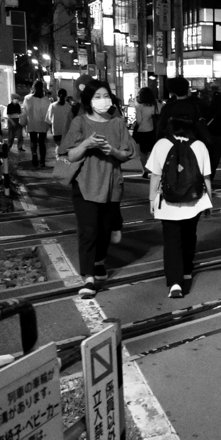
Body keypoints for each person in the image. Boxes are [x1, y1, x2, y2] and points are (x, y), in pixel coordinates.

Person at [62, 82, 137, 298]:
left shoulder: (117, 123)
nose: (102, 100)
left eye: (106, 95)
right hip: (85, 184)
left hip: (112, 184)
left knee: (104, 231)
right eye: (97, 96)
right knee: (88, 231)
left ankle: (99, 261)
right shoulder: (79, 122)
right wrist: (86, 144)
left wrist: (111, 150)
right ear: (88, 100)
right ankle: (88, 278)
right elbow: (70, 155)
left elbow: (126, 154)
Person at [147, 115, 214, 298]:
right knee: (189, 235)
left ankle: (175, 283)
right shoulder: (199, 146)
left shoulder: (162, 144)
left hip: (167, 203)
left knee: (172, 241)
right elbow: (205, 176)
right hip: (194, 202)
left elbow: (155, 175)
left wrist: (152, 198)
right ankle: (186, 270)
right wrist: (209, 200)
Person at [22, 80, 51, 168]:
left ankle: (34, 155)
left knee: (33, 140)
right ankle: (42, 161)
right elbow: (48, 112)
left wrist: (24, 122)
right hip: (43, 122)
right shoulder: (46, 100)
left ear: (33, 88)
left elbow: (25, 111)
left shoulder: (28, 98)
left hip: (32, 121)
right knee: (42, 142)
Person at [133, 86, 159, 178]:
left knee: (143, 152)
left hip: (142, 131)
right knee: (153, 151)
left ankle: (145, 170)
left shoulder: (139, 107)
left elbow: (139, 121)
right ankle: (154, 169)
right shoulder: (155, 105)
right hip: (153, 131)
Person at [205, 91, 221, 176]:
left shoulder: (208, 108)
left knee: (208, 154)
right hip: (218, 135)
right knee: (216, 155)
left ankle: (207, 172)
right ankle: (213, 171)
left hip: (209, 135)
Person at [47, 89, 73, 153]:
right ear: (66, 96)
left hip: (56, 132)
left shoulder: (52, 106)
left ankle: (60, 159)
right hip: (66, 132)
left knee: (59, 147)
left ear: (57, 96)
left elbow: (49, 120)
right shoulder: (69, 107)